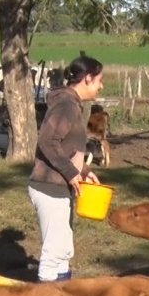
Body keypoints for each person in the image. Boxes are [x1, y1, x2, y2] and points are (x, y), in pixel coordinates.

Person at [27, 53, 105, 282]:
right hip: (48, 186)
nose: (102, 85)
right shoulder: (67, 105)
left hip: (59, 186)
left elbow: (64, 148)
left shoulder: (73, 105)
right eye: (100, 79)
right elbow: (47, 141)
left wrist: (83, 171)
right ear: (88, 79)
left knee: (63, 251)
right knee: (53, 253)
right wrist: (72, 173)